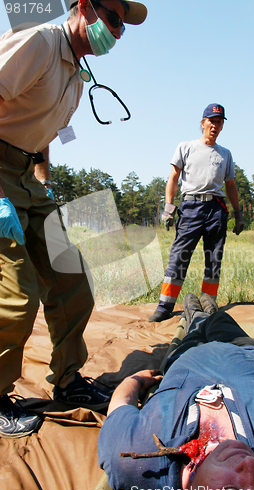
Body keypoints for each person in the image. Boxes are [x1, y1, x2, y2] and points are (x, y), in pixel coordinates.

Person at [0, 0, 147, 438]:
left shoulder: (76, 76)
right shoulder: (39, 42)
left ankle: (66, 380)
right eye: (116, 18)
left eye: (124, 26)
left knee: (72, 278)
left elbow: (43, 137)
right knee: (17, 292)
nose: (119, 32)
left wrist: (41, 186)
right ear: (84, 6)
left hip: (27, 178)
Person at [98, 293, 254, 490]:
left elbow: (120, 406)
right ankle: (209, 309)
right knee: (220, 319)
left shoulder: (134, 463)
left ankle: (196, 312)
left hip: (184, 356)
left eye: (231, 489)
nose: (250, 465)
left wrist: (133, 381)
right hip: (242, 350)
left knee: (196, 326)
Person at [149, 104, 245, 322]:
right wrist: (169, 207)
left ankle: (209, 304)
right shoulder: (186, 147)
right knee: (179, 256)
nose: (215, 125)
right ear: (203, 123)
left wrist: (238, 214)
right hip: (191, 208)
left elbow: (230, 186)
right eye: (211, 121)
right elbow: (173, 177)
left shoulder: (225, 154)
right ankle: (165, 306)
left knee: (214, 259)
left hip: (216, 209)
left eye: (219, 122)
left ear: (222, 126)